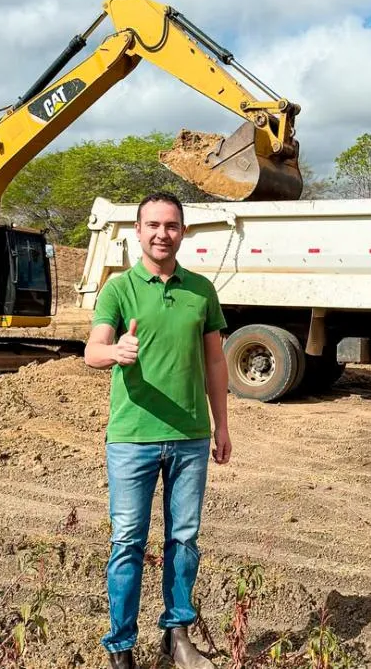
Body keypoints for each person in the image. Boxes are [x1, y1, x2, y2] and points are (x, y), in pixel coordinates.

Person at [84, 191, 231, 669]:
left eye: (170, 225)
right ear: (138, 231)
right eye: (152, 225)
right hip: (132, 439)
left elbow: (214, 361)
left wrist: (221, 425)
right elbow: (92, 350)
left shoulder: (201, 291)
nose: (161, 234)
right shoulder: (118, 289)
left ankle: (177, 633)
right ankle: (121, 647)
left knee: (184, 539)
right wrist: (115, 353)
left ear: (182, 232)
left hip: (190, 438)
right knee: (127, 541)